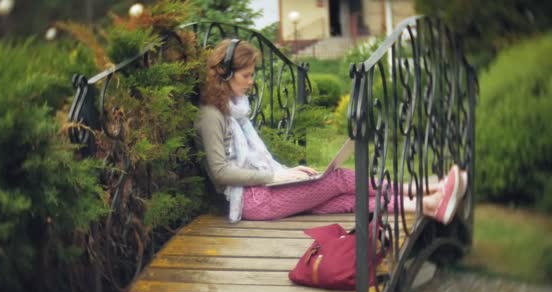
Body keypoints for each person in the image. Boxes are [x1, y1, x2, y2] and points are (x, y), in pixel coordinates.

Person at [195, 39, 466, 223]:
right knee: (337, 179)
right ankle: (427, 187)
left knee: (343, 199)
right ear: (224, 72)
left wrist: (288, 175)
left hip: (262, 192)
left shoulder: (236, 109)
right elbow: (220, 173)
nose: (252, 82)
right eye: (247, 75)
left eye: (253, 74)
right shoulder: (212, 115)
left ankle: (427, 205)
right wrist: (278, 176)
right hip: (252, 201)